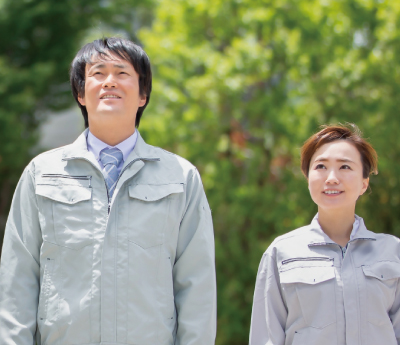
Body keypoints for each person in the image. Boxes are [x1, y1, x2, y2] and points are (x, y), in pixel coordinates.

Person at [0, 37, 216, 345]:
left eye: (122, 73)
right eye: (98, 73)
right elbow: (17, 278)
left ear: (143, 94)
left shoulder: (180, 177)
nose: (109, 82)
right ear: (80, 93)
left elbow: (197, 285)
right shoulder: (42, 173)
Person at [249, 124, 400, 345]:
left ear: (364, 184)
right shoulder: (281, 253)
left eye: (345, 167)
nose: (331, 178)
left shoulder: (393, 252)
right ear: (308, 178)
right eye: (320, 166)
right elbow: (266, 337)